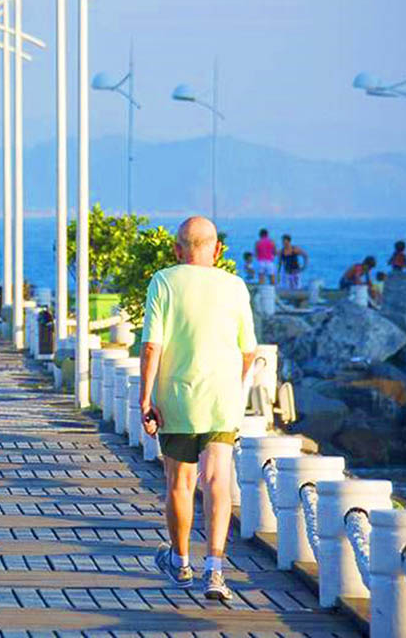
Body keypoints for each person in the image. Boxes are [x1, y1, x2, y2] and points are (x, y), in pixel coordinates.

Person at [139, 216, 257, 602]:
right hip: (222, 400)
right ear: (217, 250)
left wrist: (145, 397)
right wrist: (233, 383)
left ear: (176, 250)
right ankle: (216, 571)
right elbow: (248, 350)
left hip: (177, 398)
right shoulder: (235, 286)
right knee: (218, 481)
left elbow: (152, 345)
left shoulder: (163, 281)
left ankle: (181, 560)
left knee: (181, 483)